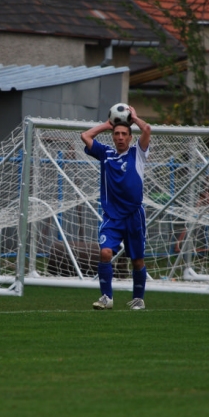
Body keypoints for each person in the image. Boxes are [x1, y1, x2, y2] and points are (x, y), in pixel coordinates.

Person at [81, 105, 151, 310]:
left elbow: (147, 131)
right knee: (105, 253)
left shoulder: (137, 153)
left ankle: (138, 299)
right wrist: (107, 125)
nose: (120, 137)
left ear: (130, 137)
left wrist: (135, 118)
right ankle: (106, 298)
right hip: (112, 217)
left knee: (137, 260)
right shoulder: (106, 153)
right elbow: (85, 136)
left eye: (124, 134)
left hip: (134, 216)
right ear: (113, 136)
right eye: (117, 134)